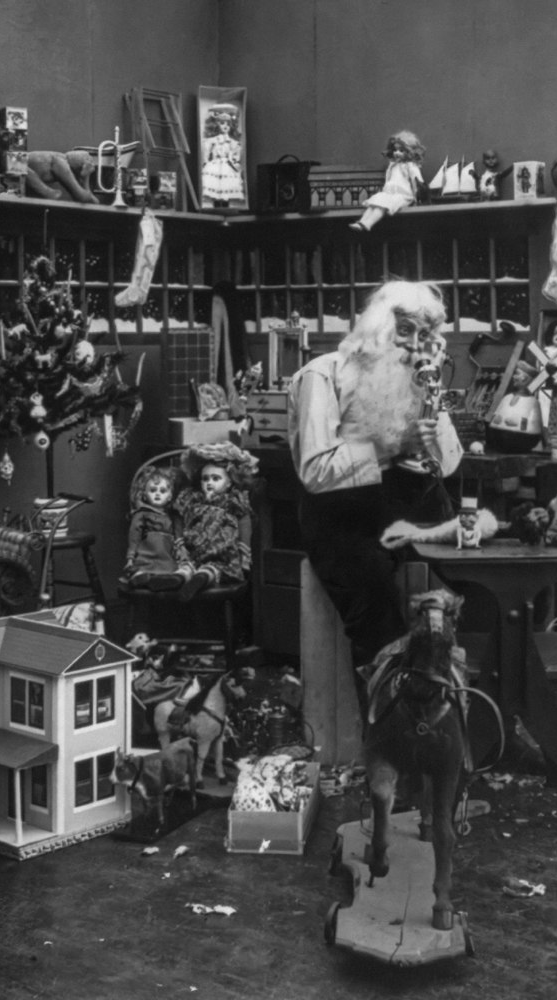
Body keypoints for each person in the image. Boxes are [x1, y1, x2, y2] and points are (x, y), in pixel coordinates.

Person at [287, 280, 463, 683]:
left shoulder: (418, 377)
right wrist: (393, 447)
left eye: (425, 335)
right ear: (379, 327)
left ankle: (455, 716)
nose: (413, 345)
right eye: (405, 331)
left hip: (409, 509)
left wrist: (432, 430)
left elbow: (450, 464)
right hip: (343, 518)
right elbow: (315, 471)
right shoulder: (322, 375)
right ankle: (388, 728)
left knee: (472, 592)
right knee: (379, 620)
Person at [173, 442, 258, 600]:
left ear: (229, 482)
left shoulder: (232, 499)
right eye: (205, 479)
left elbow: (245, 523)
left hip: (222, 552)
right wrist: (179, 542)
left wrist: (244, 553)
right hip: (193, 549)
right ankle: (179, 578)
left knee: (214, 569)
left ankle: (202, 579)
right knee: (187, 566)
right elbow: (178, 516)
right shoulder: (192, 497)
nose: (209, 483)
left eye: (216, 478)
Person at [120, 466, 192, 592]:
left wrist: (181, 548)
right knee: (142, 569)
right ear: (145, 495)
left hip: (166, 554)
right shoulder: (142, 514)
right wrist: (130, 557)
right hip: (147, 553)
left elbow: (178, 534)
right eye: (153, 490)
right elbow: (134, 535)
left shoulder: (173, 516)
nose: (158, 493)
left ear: (170, 496)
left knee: (169, 570)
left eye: (163, 491)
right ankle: (140, 578)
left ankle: (162, 581)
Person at [350, 130, 426, 231]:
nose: (397, 153)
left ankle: (368, 223)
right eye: (395, 150)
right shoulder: (393, 165)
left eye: (401, 151)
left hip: (403, 196)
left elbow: (416, 181)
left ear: (409, 152)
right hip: (389, 194)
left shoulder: (410, 166)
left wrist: (417, 197)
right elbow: (388, 179)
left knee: (382, 205)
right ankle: (362, 221)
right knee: (376, 202)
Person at [200, 103, 245, 208]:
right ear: (216, 125)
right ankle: (215, 204)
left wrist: (235, 163)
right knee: (214, 185)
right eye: (222, 123)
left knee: (227, 186)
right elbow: (206, 154)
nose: (225, 126)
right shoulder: (212, 141)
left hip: (228, 165)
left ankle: (225, 205)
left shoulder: (233, 143)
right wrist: (205, 163)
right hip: (215, 165)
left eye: (228, 124)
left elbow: (236, 156)